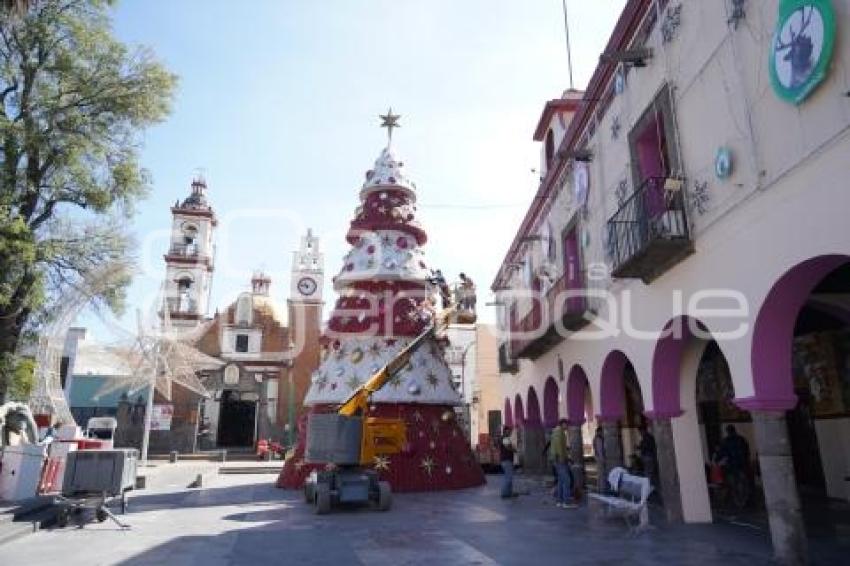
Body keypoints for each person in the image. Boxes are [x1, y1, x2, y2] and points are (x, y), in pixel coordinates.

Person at [715, 424, 751, 508]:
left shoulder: (725, 441)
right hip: (742, 465)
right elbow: (747, 452)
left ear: (727, 431)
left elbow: (721, 454)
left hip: (730, 467)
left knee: (733, 484)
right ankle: (743, 500)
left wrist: (718, 460)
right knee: (743, 483)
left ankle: (738, 501)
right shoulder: (742, 440)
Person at [549, 419, 577, 508]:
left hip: (558, 459)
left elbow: (560, 447)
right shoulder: (559, 432)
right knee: (567, 480)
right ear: (563, 424)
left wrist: (567, 458)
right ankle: (566, 502)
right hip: (559, 460)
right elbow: (558, 446)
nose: (567, 427)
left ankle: (560, 501)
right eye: (566, 425)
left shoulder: (557, 432)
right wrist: (562, 458)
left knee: (561, 481)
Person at [499, 425, 517, 498]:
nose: (510, 432)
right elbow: (508, 447)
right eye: (509, 430)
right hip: (507, 460)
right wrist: (514, 450)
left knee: (509, 477)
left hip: (507, 460)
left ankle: (509, 492)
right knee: (508, 478)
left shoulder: (506, 438)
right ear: (505, 431)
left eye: (510, 431)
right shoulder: (505, 438)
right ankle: (505, 493)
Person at [592, 427, 606, 491]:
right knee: (601, 473)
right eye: (601, 431)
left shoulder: (595, 438)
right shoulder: (598, 439)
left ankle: (599, 487)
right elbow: (600, 450)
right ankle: (602, 487)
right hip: (600, 458)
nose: (602, 433)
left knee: (599, 473)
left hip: (597, 457)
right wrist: (602, 459)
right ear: (599, 432)